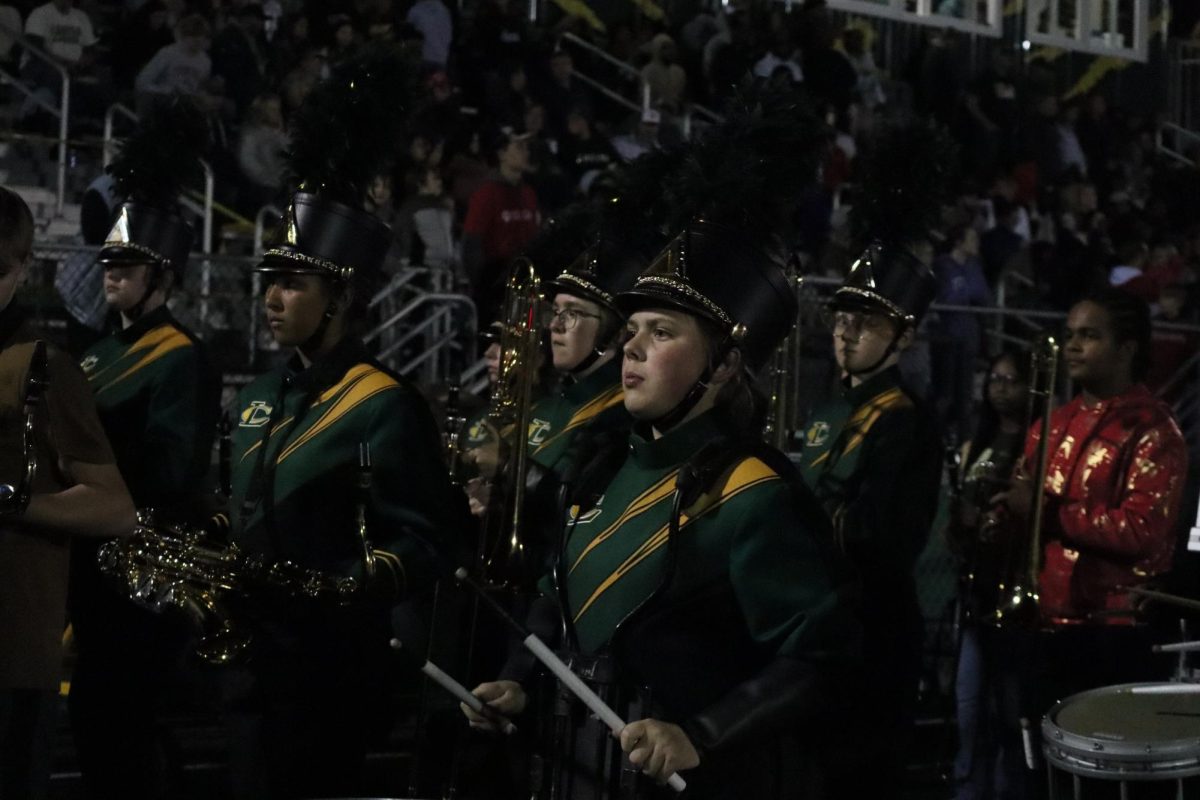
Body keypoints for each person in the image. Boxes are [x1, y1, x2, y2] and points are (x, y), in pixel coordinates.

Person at [464, 220, 857, 798]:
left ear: (722, 367)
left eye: (663, 331)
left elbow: (822, 656)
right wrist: (521, 683)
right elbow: (554, 601)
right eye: (632, 329)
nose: (632, 346)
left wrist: (702, 733)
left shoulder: (754, 490)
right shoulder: (601, 466)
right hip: (569, 773)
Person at [223, 190, 465, 799]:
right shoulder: (254, 396)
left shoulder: (384, 403)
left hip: (330, 670)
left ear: (342, 298)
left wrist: (356, 580)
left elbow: (429, 536)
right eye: (270, 281)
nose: (272, 299)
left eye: (293, 283)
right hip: (252, 661)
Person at [983, 287, 1189, 799]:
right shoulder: (1050, 424)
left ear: (1127, 349)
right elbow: (1025, 511)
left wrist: (1047, 514)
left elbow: (1144, 531)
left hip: (1111, 635)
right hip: (1042, 625)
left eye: (1089, 336)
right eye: (1070, 335)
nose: (1072, 347)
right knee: (1034, 772)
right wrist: (996, 518)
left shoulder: (1153, 430)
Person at [69, 198, 221, 800]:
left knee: (125, 720)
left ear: (162, 275)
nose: (112, 273)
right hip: (91, 556)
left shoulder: (182, 356)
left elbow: (171, 469)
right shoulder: (97, 352)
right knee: (94, 716)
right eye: (109, 262)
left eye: (129, 265)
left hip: (142, 566)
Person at [0, 186, 136, 800]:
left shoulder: (42, 365)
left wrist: (14, 501)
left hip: (10, 655)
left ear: (24, 266)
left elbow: (114, 506)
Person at [797, 242, 944, 796]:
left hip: (871, 628)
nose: (845, 332)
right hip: (820, 617)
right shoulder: (830, 407)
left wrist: (804, 522)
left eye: (866, 322)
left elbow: (890, 538)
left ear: (903, 338)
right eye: (841, 318)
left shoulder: (908, 422)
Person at [946, 350, 1031, 800]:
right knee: (968, 708)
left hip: (1013, 590)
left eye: (1011, 379)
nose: (999, 387)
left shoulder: (1037, 443)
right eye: (994, 378)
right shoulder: (977, 441)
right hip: (977, 589)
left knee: (1007, 713)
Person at [462, 126, 540, 321]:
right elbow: (471, 242)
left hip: (523, 279)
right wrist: (482, 287)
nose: (526, 152)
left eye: (526, 147)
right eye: (519, 147)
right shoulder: (487, 194)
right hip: (495, 281)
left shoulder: (528, 193)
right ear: (502, 154)